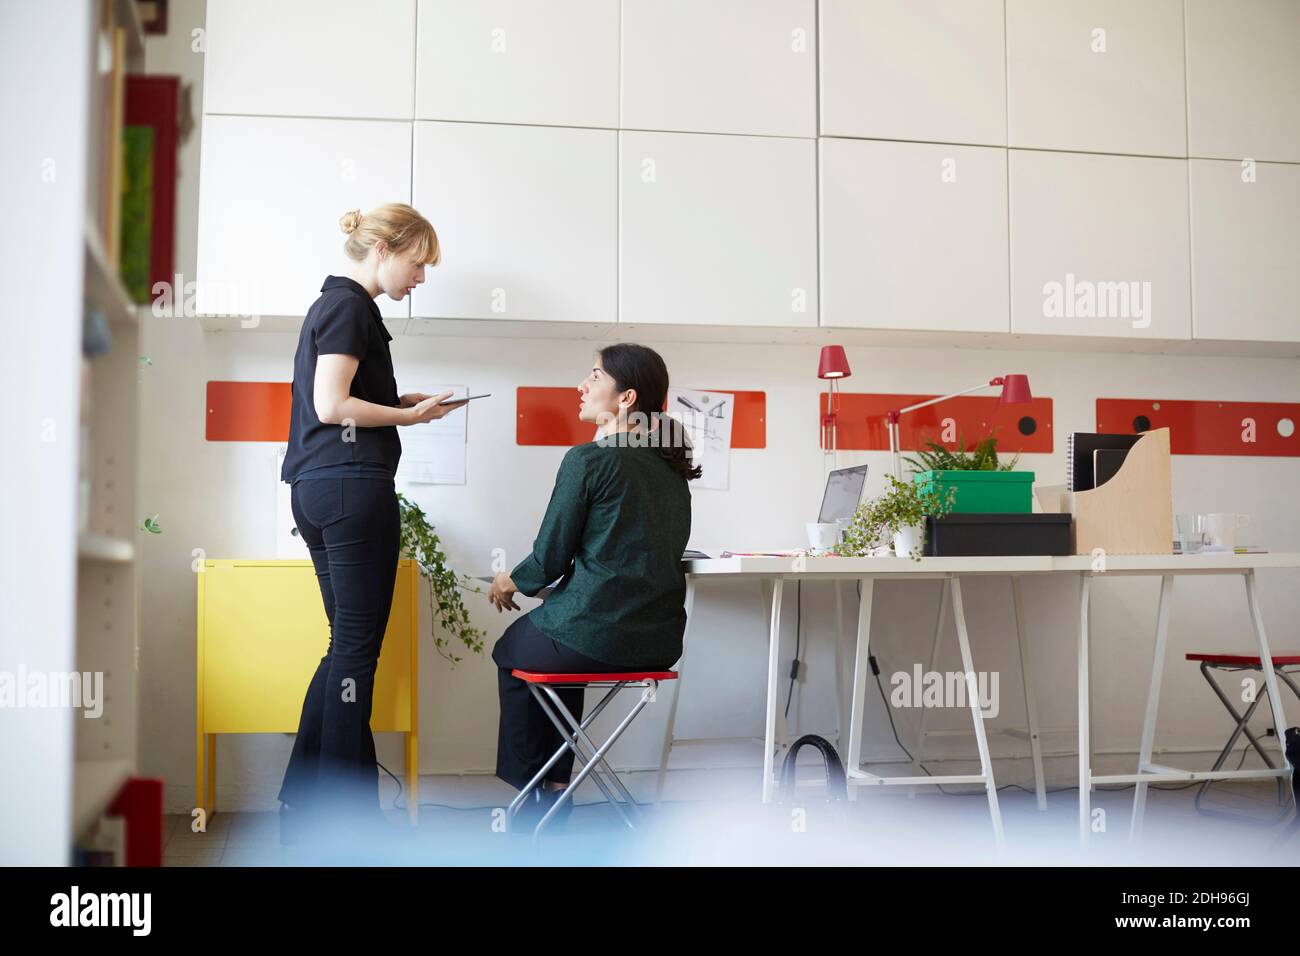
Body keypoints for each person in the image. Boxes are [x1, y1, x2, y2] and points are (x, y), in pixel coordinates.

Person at [277, 203, 465, 842]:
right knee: (356, 653)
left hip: (317, 489)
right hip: (352, 492)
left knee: (343, 651)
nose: (421, 278)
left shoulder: (335, 307)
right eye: (418, 263)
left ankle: (306, 807)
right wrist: (407, 420)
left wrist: (399, 402)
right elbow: (332, 405)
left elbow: (336, 400)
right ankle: (342, 822)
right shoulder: (351, 306)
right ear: (385, 247)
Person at [488, 343, 701, 827]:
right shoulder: (672, 472)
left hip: (595, 632)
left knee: (512, 648)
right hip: (658, 642)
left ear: (626, 398)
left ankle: (532, 795)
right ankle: (558, 786)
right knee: (564, 652)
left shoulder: (588, 459)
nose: (581, 386)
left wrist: (508, 580)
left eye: (594, 377)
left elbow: (549, 556)